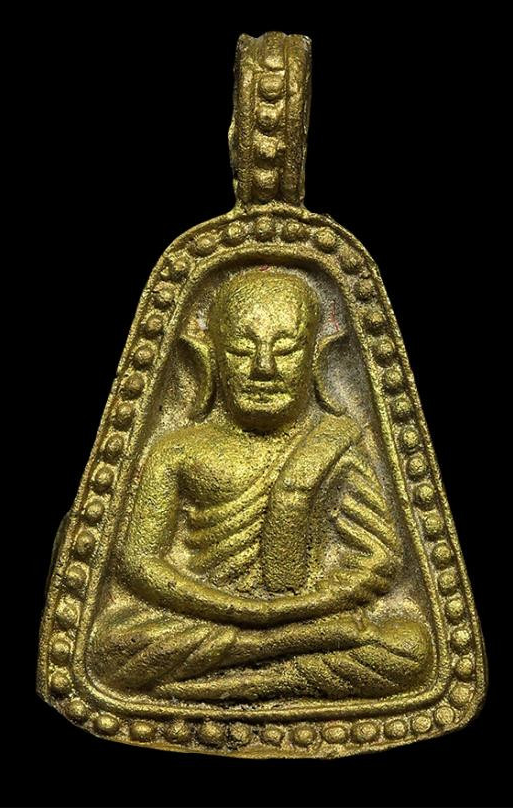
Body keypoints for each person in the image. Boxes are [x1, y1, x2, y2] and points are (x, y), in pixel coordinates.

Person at [89, 269, 432, 701]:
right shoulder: (176, 450)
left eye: (285, 350)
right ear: (209, 358)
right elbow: (138, 562)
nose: (263, 368)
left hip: (310, 618)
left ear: (317, 357)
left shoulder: (336, 443)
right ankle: (277, 652)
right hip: (212, 620)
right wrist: (249, 613)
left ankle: (241, 682)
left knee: (409, 648)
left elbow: (379, 563)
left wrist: (305, 606)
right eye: (240, 350)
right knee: (111, 647)